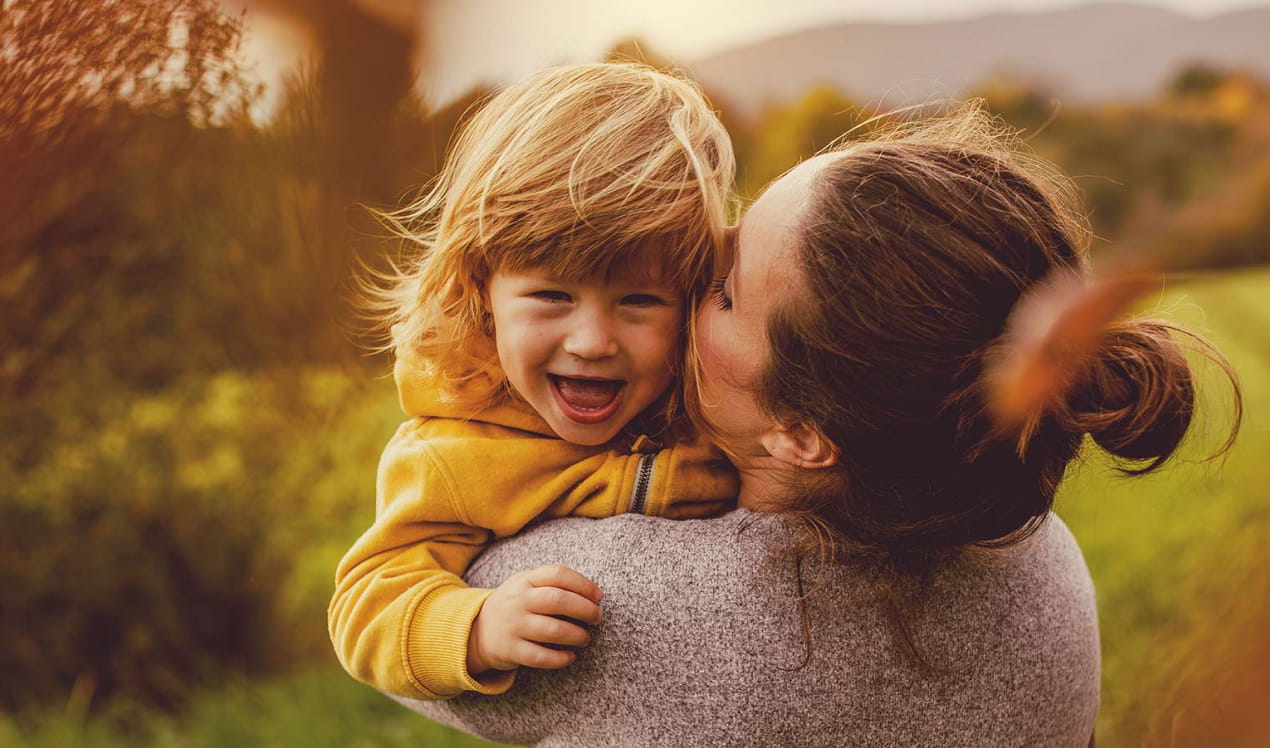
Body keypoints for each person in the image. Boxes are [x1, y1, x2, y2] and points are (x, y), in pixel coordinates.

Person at [398, 102, 1241, 745]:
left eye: (722, 291)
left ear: (803, 432)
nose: (690, 279)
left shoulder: (606, 600)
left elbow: (399, 635)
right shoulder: (1042, 560)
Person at [328, 63, 739, 701]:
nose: (593, 342)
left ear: (691, 300)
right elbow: (366, 602)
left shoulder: (712, 396)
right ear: (480, 289)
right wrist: (476, 627)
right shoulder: (454, 451)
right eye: (552, 296)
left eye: (639, 301)